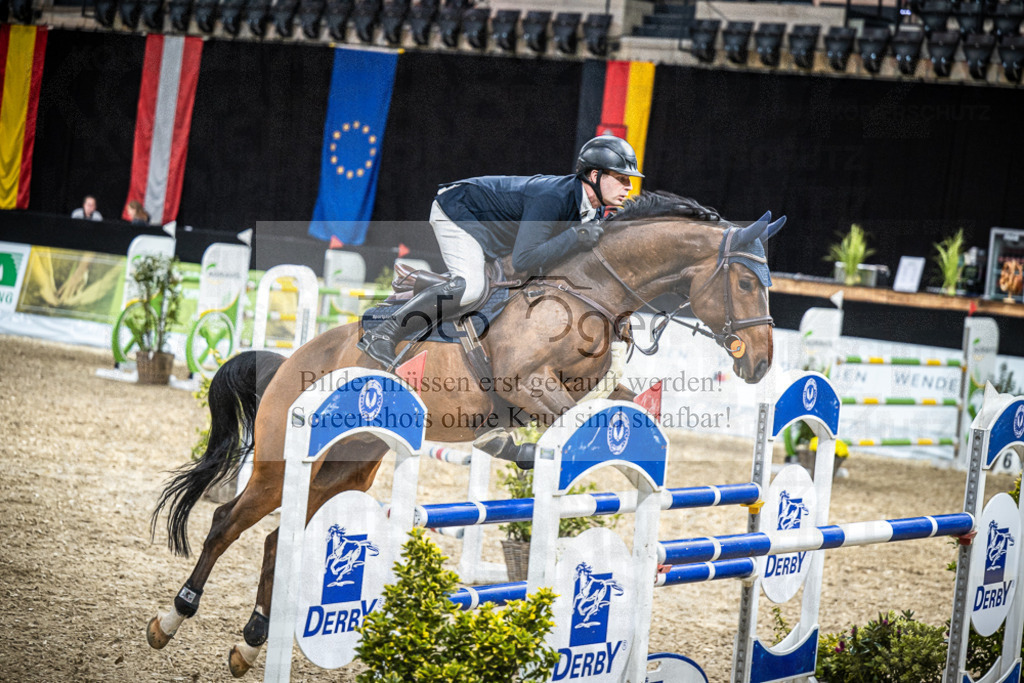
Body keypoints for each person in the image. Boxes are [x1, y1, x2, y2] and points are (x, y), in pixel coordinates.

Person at [357, 135, 643, 368]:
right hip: (459, 211)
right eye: (622, 178)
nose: (629, 187)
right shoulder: (553, 197)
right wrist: (574, 236)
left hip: (494, 232)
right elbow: (525, 259)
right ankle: (384, 332)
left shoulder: (592, 211)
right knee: (470, 288)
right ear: (594, 175)